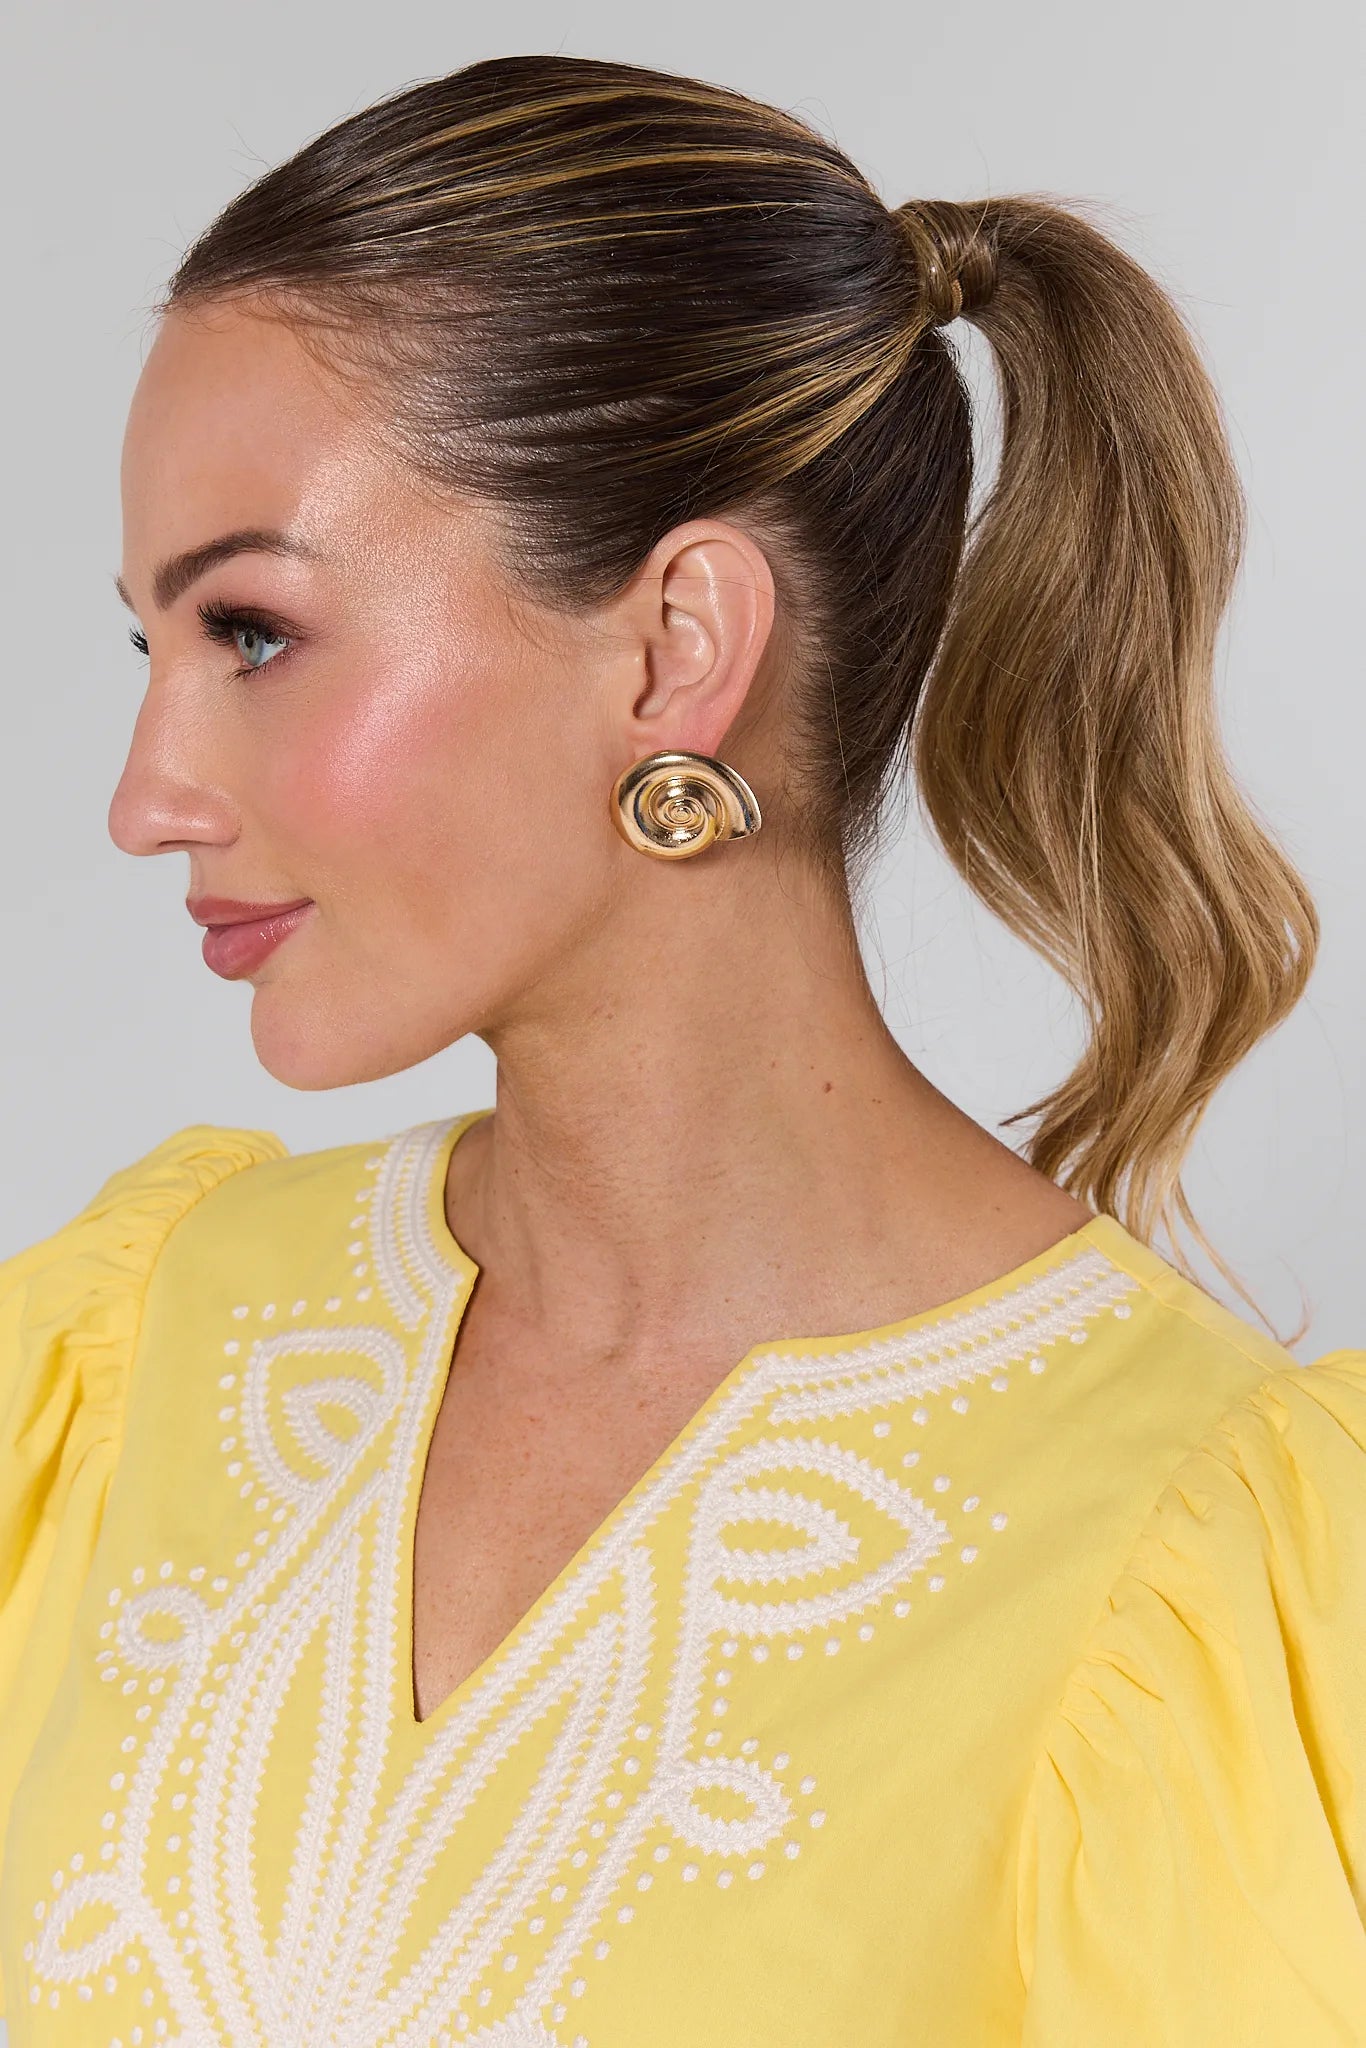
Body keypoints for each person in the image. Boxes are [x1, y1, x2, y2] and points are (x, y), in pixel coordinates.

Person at [1, 49, 1362, 2048]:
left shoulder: (1185, 1558)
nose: (146, 794)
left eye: (256, 634)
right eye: (155, 647)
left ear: (673, 649)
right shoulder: (122, 1353)